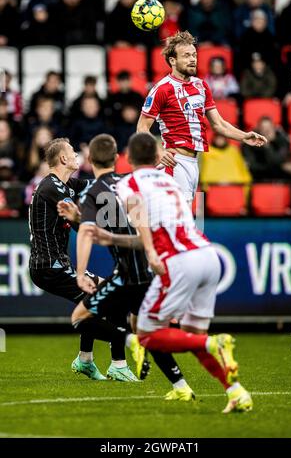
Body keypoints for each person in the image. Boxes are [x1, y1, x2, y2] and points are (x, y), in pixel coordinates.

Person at [115, 132, 253, 413]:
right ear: (158, 157)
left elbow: (137, 209)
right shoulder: (169, 180)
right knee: (190, 334)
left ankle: (212, 342)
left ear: (128, 158)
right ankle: (235, 391)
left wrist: (151, 252)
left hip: (178, 262)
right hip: (208, 256)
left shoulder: (128, 182)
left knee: (145, 334)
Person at [69, 134, 195, 396]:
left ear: (89, 159)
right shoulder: (130, 183)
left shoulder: (94, 192)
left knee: (80, 318)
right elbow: (142, 215)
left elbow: (87, 233)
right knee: (148, 330)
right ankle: (181, 385)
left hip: (127, 274)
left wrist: (81, 272)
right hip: (153, 270)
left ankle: (129, 343)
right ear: (117, 159)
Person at [28, 137, 123, 381]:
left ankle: (86, 360)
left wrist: (144, 176)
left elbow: (100, 184)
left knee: (99, 296)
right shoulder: (51, 188)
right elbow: (81, 223)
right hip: (49, 267)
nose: (76, 155)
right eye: (72, 151)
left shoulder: (66, 185)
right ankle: (122, 352)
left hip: (56, 265)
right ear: (63, 159)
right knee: (103, 295)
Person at [137, 31, 266, 203]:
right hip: (174, 163)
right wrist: (157, 151)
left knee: (183, 219)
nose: (192, 59)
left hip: (193, 163)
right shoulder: (162, 89)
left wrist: (244, 136)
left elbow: (218, 124)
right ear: (172, 61)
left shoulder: (201, 85)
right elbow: (142, 128)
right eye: (186, 56)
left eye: (194, 55)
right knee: (176, 220)